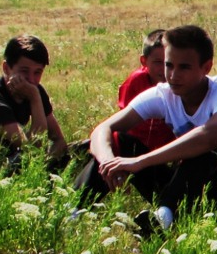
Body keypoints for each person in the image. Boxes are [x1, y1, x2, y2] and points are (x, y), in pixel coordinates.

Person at [83, 25, 217, 234]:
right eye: (169, 65)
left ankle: (163, 219)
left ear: (207, 67)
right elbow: (103, 128)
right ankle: (74, 209)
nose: (173, 75)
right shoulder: (163, 94)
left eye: (184, 67)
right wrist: (108, 163)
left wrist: (139, 162)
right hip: (188, 188)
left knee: (204, 149)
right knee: (120, 140)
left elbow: (211, 137)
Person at [74, 29, 175, 203]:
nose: (164, 69)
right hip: (135, 149)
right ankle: (76, 203)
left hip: (165, 155)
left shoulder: (179, 86)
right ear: (144, 61)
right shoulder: (137, 82)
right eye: (158, 62)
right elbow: (124, 123)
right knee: (115, 143)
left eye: (169, 63)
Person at [0, 34, 68, 162]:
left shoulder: (34, 89)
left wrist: (49, 161)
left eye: (37, 72)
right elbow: (32, 149)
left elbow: (58, 139)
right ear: (6, 68)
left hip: (9, 159)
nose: (31, 79)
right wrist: (35, 99)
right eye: (24, 71)